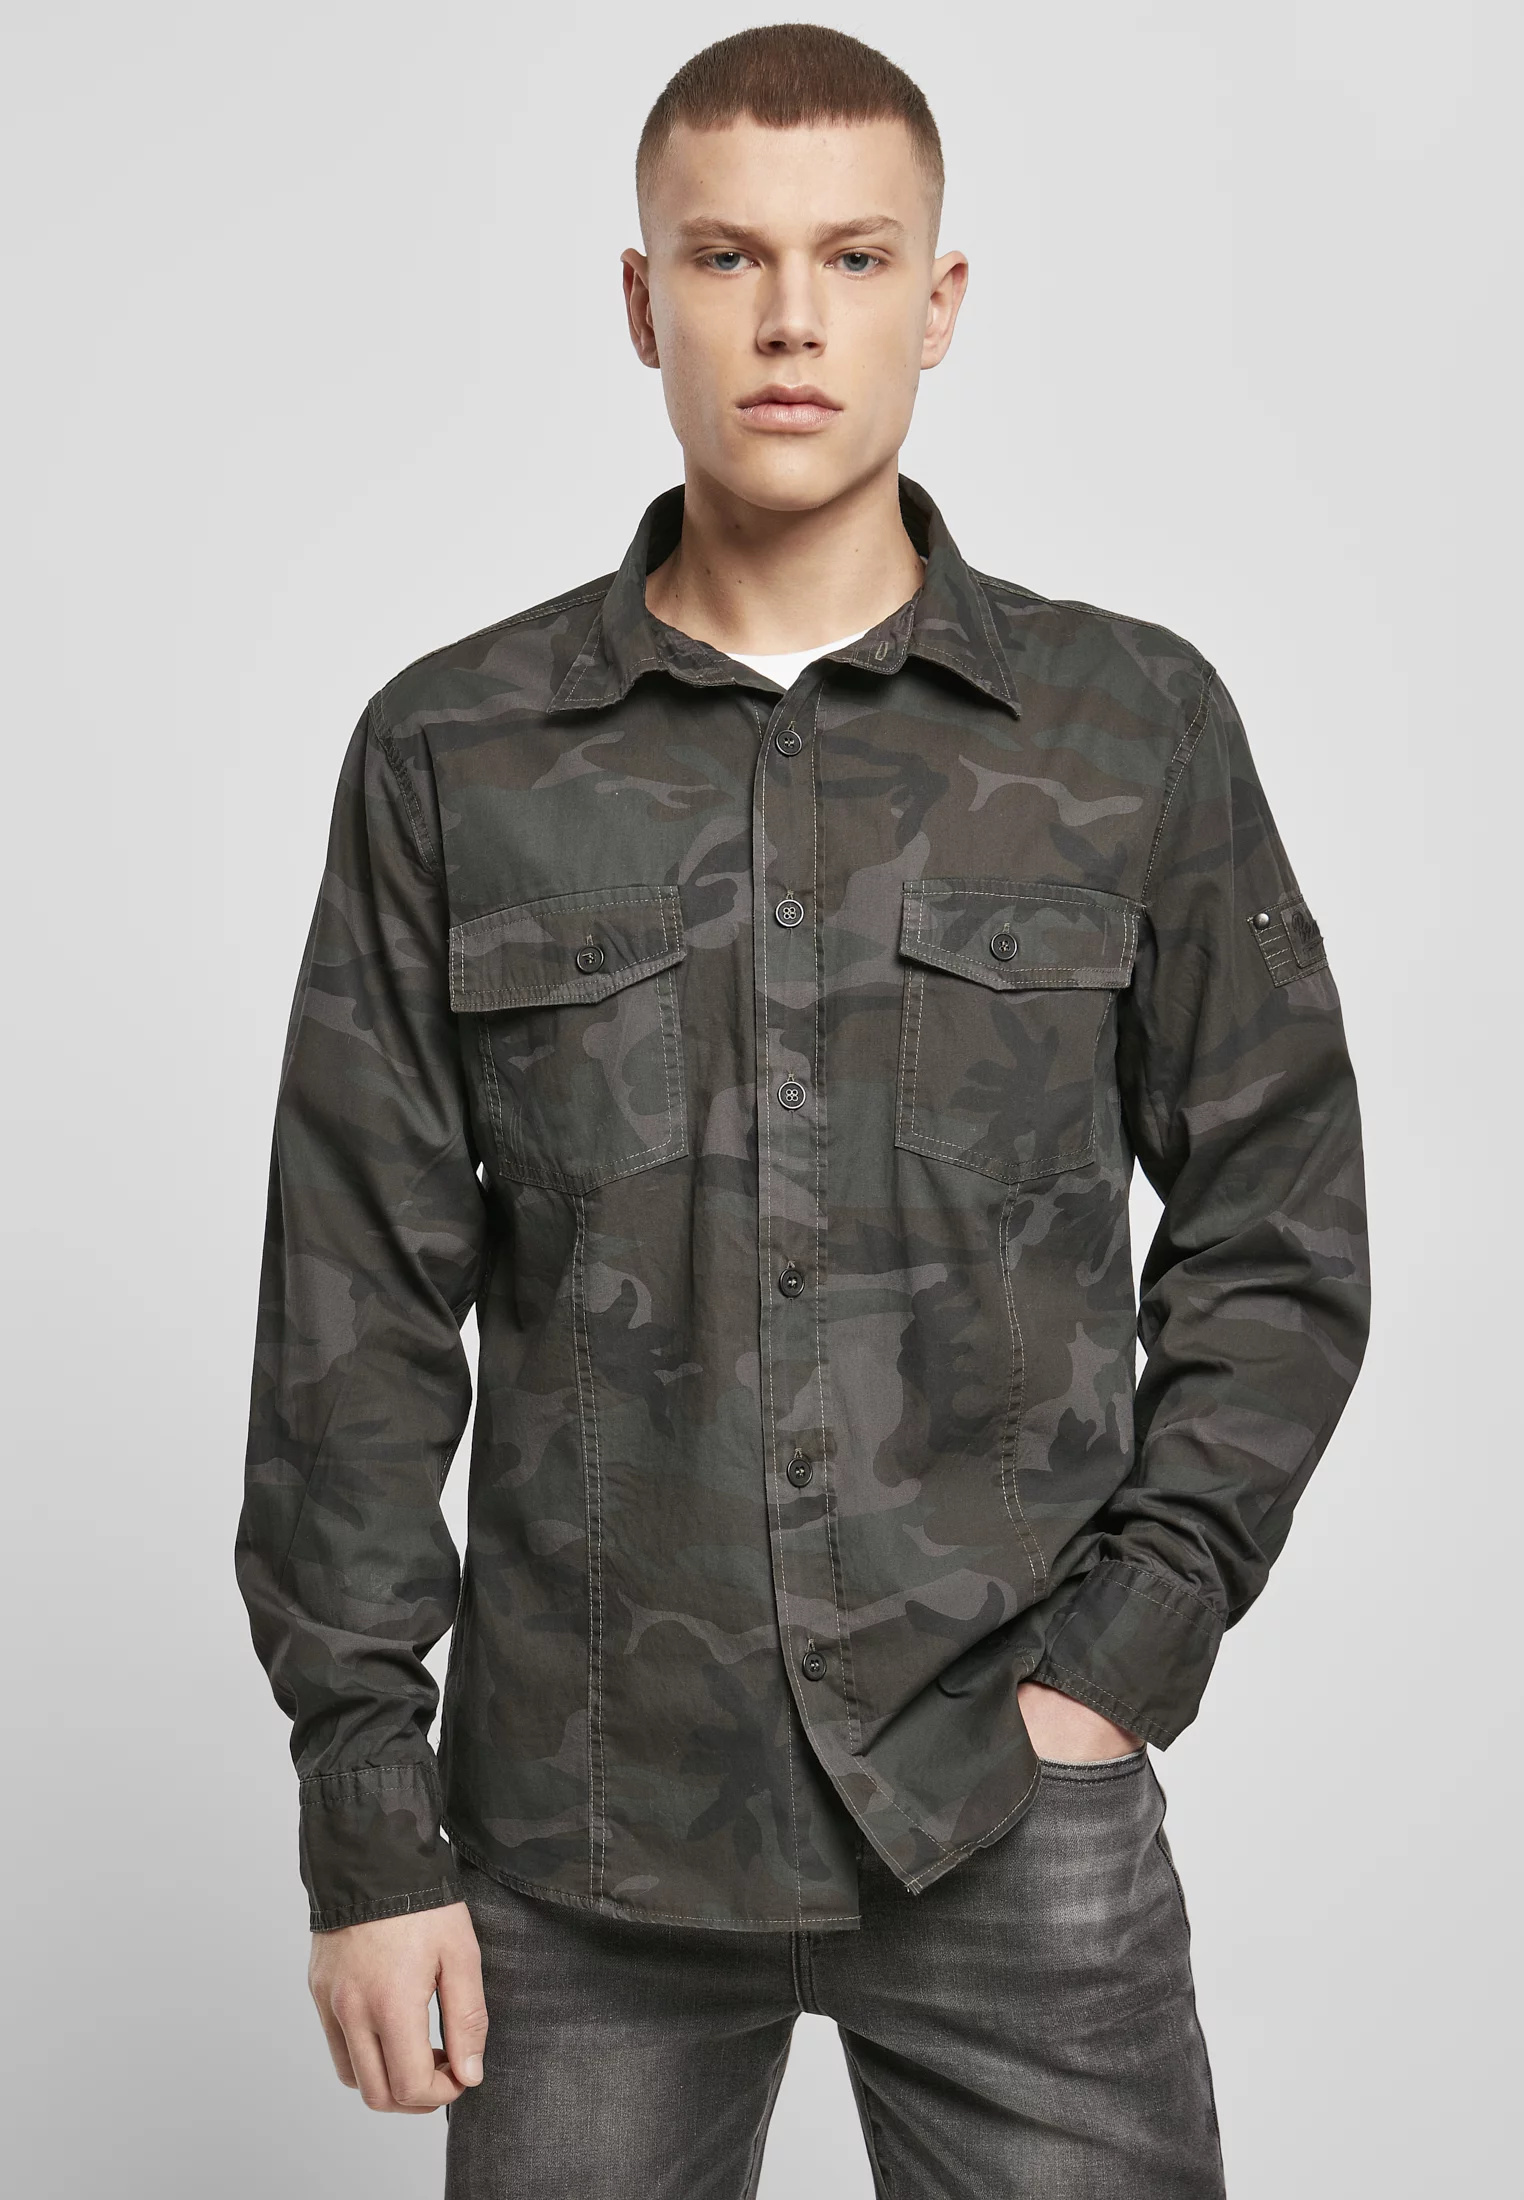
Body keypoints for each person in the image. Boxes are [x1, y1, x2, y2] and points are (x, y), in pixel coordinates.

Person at [235, 23, 1370, 2197]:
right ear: (639, 298)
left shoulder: (1132, 727)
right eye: (727, 255)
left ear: (939, 303)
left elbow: (1281, 1228)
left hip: (1006, 1806)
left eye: (853, 258)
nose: (788, 319)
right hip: (578, 1835)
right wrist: (366, 1821)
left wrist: (1120, 1663)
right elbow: (349, 1310)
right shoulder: (452, 753)